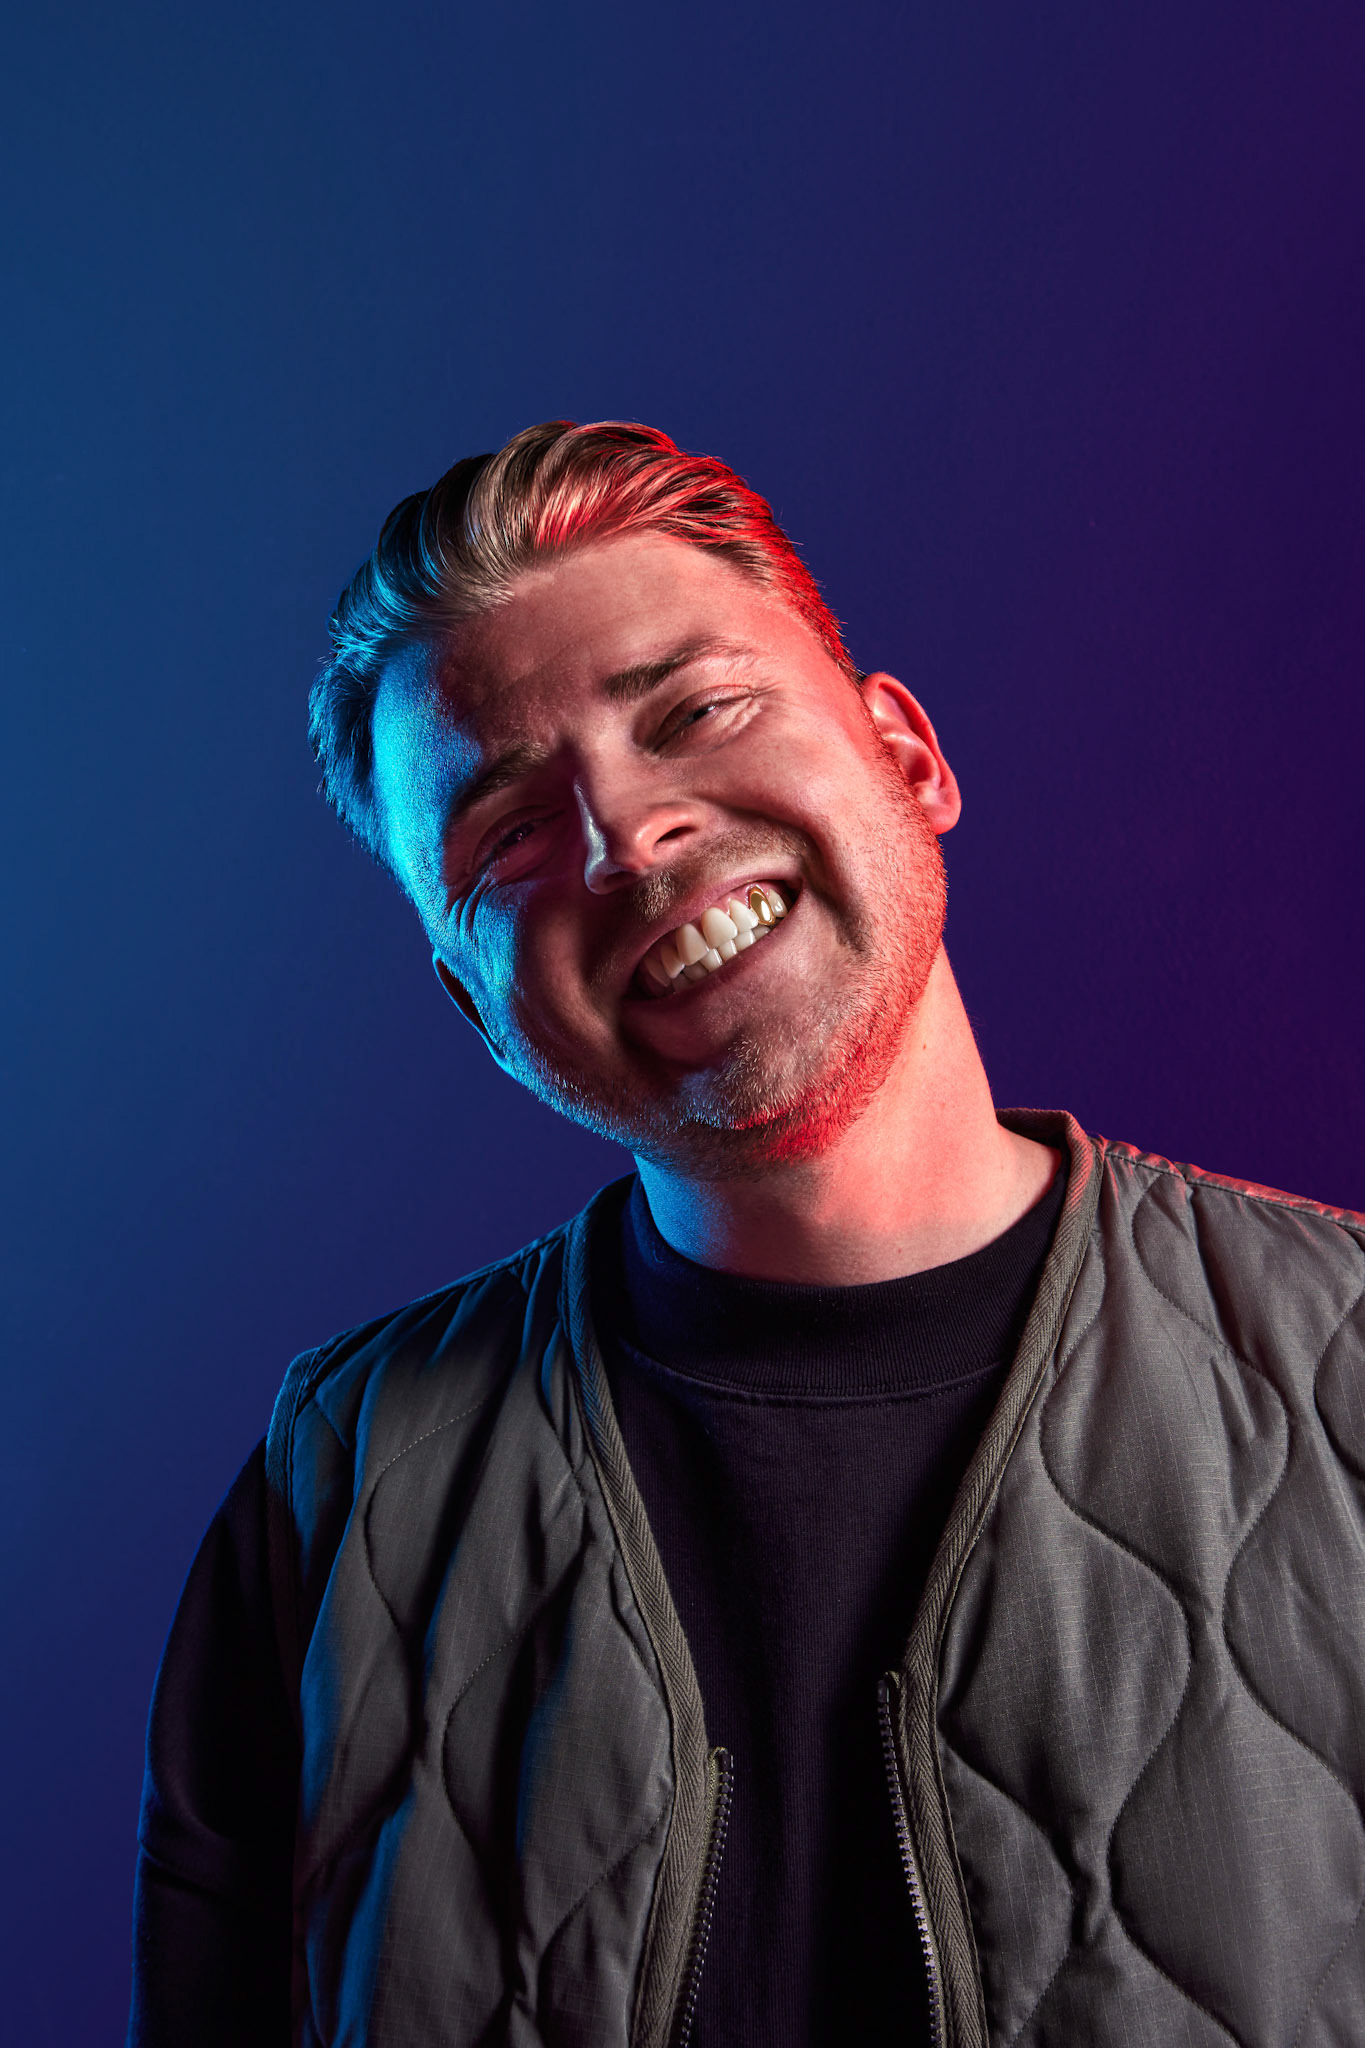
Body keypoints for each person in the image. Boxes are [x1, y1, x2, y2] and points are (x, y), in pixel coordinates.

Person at [129, 421, 1365, 2048]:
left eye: (695, 712)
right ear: (476, 1009)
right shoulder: (334, 1492)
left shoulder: (1343, 1360)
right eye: (509, 832)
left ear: (905, 758)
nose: (625, 837)